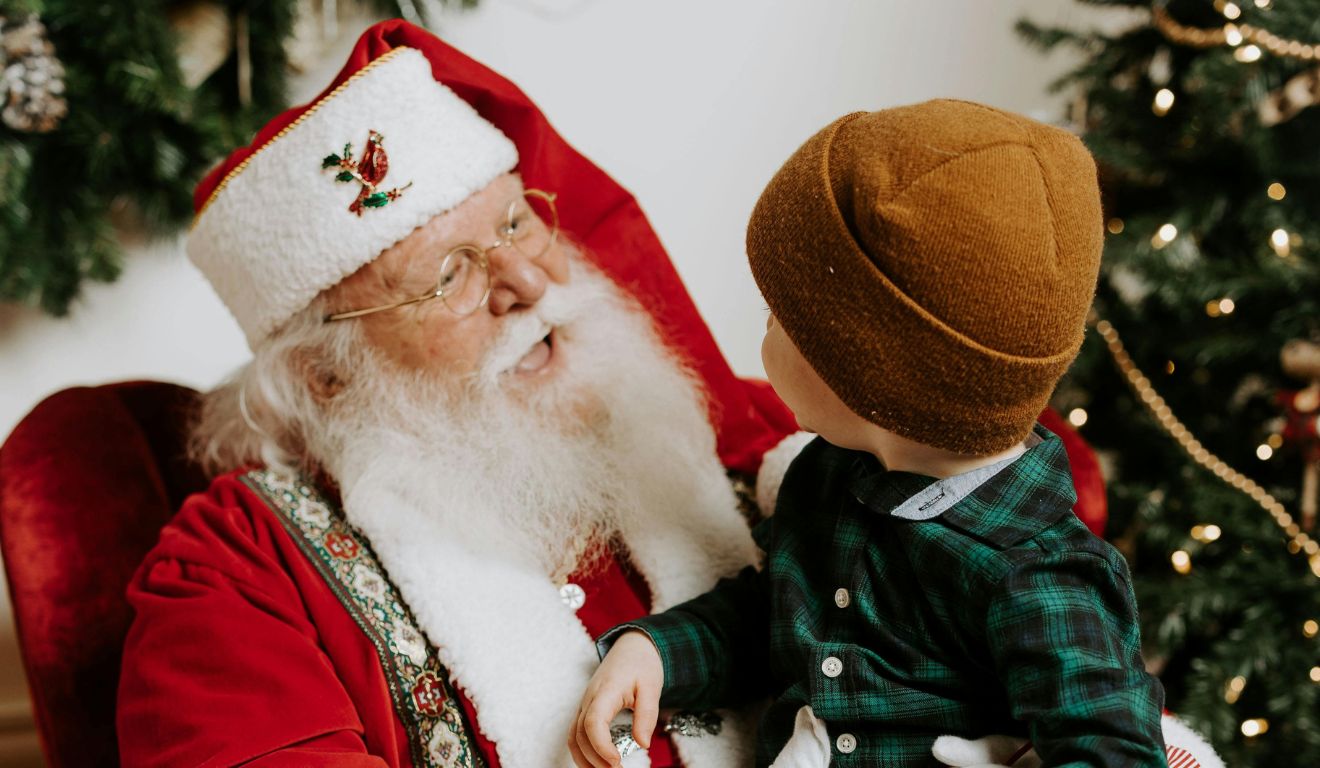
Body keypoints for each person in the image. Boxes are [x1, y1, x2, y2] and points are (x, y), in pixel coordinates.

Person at [114, 19, 803, 768]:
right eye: (450, 276)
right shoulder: (237, 577)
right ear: (326, 374)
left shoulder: (743, 430)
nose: (528, 281)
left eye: (516, 222)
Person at [569, 102, 1168, 768]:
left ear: (863, 376)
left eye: (778, 315)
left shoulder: (1038, 574)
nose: (763, 326)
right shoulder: (828, 475)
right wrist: (656, 651)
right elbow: (775, 619)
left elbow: (1113, 748)